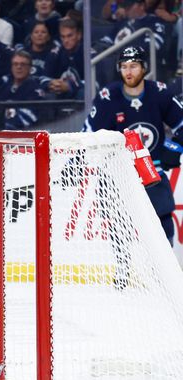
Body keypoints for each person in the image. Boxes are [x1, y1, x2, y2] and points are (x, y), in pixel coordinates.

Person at [83, 46, 183, 244]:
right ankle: (122, 274)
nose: (128, 72)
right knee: (121, 235)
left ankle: (163, 275)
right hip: (120, 175)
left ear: (144, 67)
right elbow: (87, 135)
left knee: (162, 229)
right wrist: (75, 162)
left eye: (134, 66)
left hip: (153, 172)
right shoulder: (107, 98)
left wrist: (174, 148)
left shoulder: (159, 93)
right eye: (124, 66)